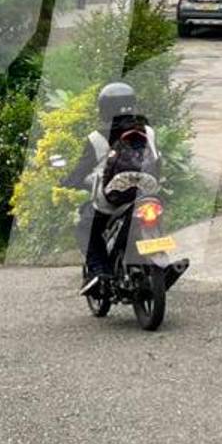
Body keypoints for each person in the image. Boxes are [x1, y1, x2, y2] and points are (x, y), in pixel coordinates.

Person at [63, 82, 159, 297]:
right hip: (148, 194)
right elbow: (158, 160)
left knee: (85, 227)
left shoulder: (96, 138)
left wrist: (67, 182)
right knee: (155, 218)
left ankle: (100, 271)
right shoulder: (148, 131)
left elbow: (80, 172)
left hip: (112, 201)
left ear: (104, 108)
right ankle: (159, 259)